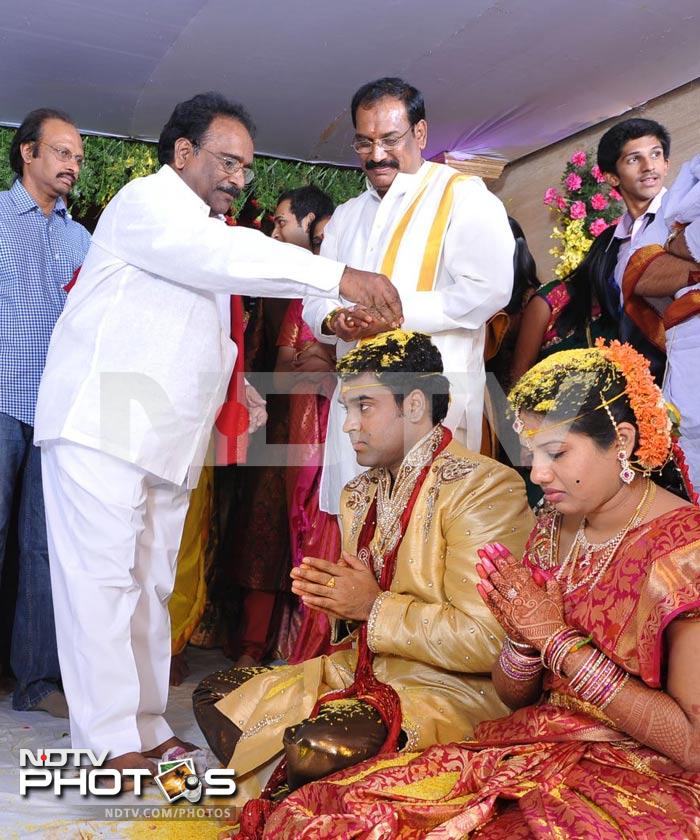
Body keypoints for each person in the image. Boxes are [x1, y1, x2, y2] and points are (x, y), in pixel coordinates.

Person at [33, 91, 401, 781]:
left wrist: (240, 396)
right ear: (182, 154)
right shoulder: (150, 204)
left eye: (245, 168)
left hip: (163, 440)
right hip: (100, 426)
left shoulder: (196, 233)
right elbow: (224, 256)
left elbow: (196, 336)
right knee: (103, 587)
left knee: (147, 589)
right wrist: (338, 275)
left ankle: (143, 723)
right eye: (226, 161)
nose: (238, 178)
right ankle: (108, 742)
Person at [263, 340, 700, 839]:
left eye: (556, 452)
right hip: (537, 745)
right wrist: (520, 640)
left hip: (640, 775)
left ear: (620, 441)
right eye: (532, 453)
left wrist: (556, 642)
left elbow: (692, 745)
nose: (537, 473)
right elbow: (518, 699)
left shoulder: (685, 551)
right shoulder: (553, 525)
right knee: (335, 818)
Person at [193, 330, 532, 809]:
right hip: (362, 671)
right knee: (218, 695)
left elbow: (490, 641)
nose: (349, 426)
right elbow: (357, 622)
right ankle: (312, 786)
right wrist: (337, 600)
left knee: (318, 745)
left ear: (414, 405)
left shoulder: (482, 488)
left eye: (364, 407)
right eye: (346, 409)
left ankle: (309, 787)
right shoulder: (361, 493)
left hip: (448, 688)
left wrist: (371, 606)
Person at [303, 77, 514, 514]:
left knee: (426, 530)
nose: (376, 155)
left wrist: (394, 316)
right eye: (364, 143)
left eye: (390, 140)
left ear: (420, 133)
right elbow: (315, 296)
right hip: (360, 407)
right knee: (361, 525)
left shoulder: (462, 196)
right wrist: (333, 321)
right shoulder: (346, 216)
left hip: (433, 401)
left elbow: (488, 290)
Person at [0, 108, 90, 716]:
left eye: (78, 158)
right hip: (2, 402)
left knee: (43, 547)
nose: (72, 166)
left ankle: (37, 679)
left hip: (56, 416)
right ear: (27, 152)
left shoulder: (82, 238)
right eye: (61, 153)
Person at [273, 186, 340, 661]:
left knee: (338, 526)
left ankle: (326, 646)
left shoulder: (355, 298)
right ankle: (302, 646)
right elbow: (283, 374)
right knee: (303, 528)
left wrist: (328, 367)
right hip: (302, 431)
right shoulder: (303, 302)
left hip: (342, 427)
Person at [623, 152, 700, 490]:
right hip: (690, 348)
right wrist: (678, 244)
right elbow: (640, 272)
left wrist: (677, 245)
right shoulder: (690, 179)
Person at [597, 117, 671, 380]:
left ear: (666, 163)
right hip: (646, 381)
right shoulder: (611, 245)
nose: (649, 166)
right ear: (612, 177)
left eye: (655, 154)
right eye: (634, 159)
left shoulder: (685, 220)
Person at [510, 228, 619, 386]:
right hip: (550, 406)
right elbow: (519, 375)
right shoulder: (552, 299)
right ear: (607, 261)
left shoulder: (623, 308)